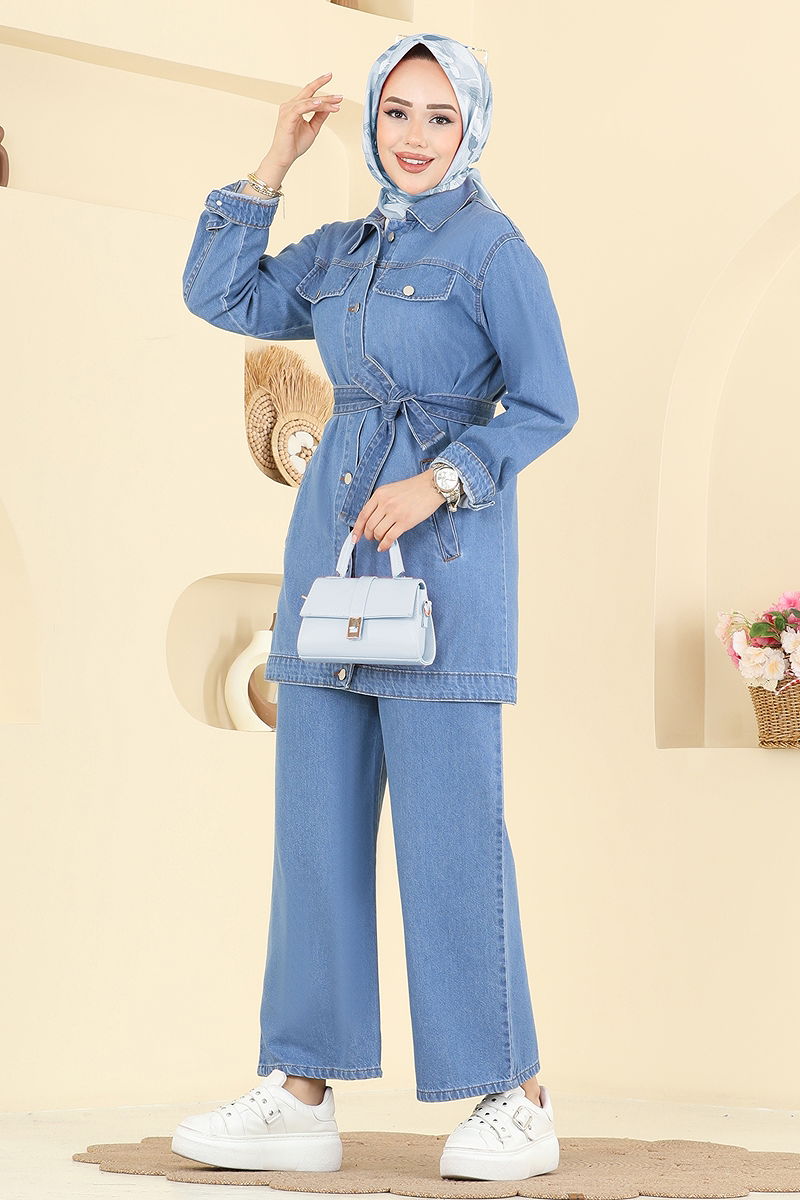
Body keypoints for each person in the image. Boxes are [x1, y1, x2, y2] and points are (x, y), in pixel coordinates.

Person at [172, 31, 579, 1182]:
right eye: (396, 112)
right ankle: (300, 1090)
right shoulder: (342, 249)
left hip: (440, 570)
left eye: (439, 116)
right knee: (314, 837)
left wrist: (443, 479)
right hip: (329, 567)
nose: (413, 136)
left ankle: (514, 1096)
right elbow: (219, 293)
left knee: (451, 842)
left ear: (471, 128)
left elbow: (547, 401)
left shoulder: (494, 250)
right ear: (369, 122)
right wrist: (272, 165)